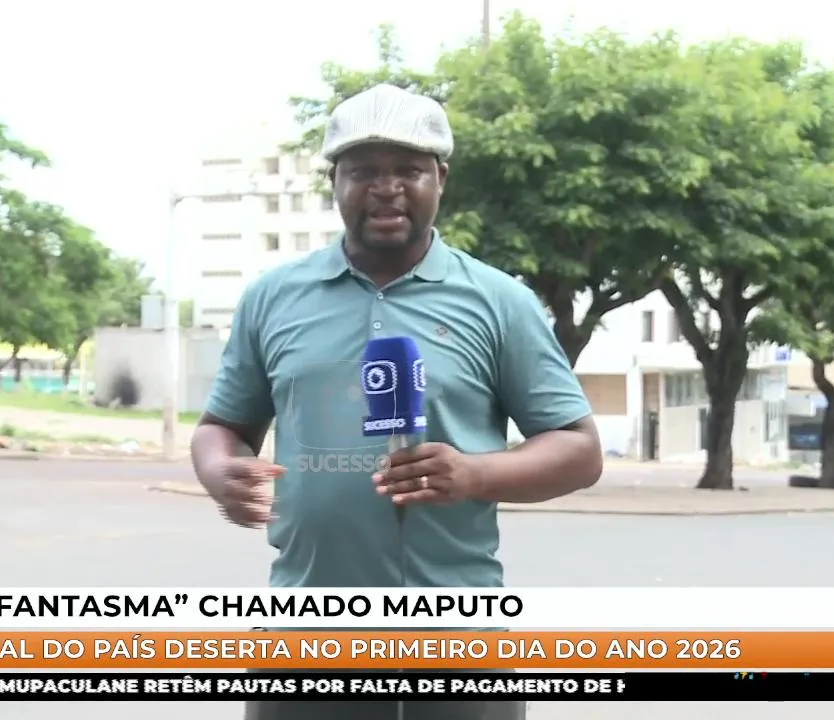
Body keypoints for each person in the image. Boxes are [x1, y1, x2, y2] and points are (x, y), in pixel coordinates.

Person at [191, 84, 604, 720]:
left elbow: (579, 450)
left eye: (409, 170)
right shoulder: (273, 298)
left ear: (441, 178)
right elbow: (221, 426)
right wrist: (221, 470)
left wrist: (474, 474)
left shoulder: (500, 301)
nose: (386, 188)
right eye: (363, 171)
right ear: (334, 181)